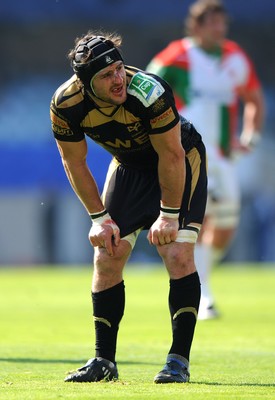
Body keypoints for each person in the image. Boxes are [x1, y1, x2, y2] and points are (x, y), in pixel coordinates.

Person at [50, 30, 207, 383]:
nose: (119, 79)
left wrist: (168, 215)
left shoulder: (148, 92)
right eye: (106, 75)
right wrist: (98, 219)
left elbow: (171, 154)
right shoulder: (65, 104)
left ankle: (177, 361)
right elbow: (73, 163)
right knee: (108, 253)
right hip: (130, 166)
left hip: (179, 159)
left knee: (178, 254)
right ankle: (103, 362)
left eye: (119, 69)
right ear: (85, 82)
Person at [146, 0, 265, 319]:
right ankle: (201, 294)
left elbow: (254, 99)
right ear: (196, 26)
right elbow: (146, 91)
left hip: (225, 157)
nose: (219, 28)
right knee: (197, 222)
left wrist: (251, 134)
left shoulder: (235, 58)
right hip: (189, 155)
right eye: (213, 23)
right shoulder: (176, 57)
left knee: (226, 225)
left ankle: (202, 280)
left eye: (222, 23)